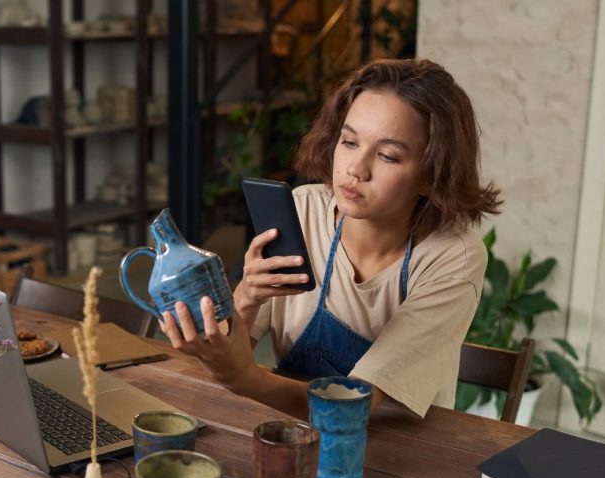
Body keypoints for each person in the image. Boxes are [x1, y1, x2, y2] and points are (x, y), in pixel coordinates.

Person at [159, 58, 501, 420]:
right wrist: (246, 298)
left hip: (403, 450)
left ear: (432, 176)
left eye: (387, 155)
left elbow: (359, 404)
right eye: (349, 141)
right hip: (293, 429)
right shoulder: (302, 212)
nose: (356, 169)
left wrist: (247, 379)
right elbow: (238, 345)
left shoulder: (451, 257)